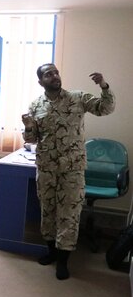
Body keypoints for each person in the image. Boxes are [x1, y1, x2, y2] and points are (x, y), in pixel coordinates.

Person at [22, 64, 115, 280]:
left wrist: (104, 85)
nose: (54, 76)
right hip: (46, 168)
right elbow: (32, 139)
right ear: (40, 82)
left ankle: (63, 262)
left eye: (55, 72)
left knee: (69, 214)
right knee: (48, 212)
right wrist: (27, 126)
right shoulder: (36, 105)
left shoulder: (77, 98)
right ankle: (51, 252)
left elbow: (105, 108)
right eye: (48, 74)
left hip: (72, 169)